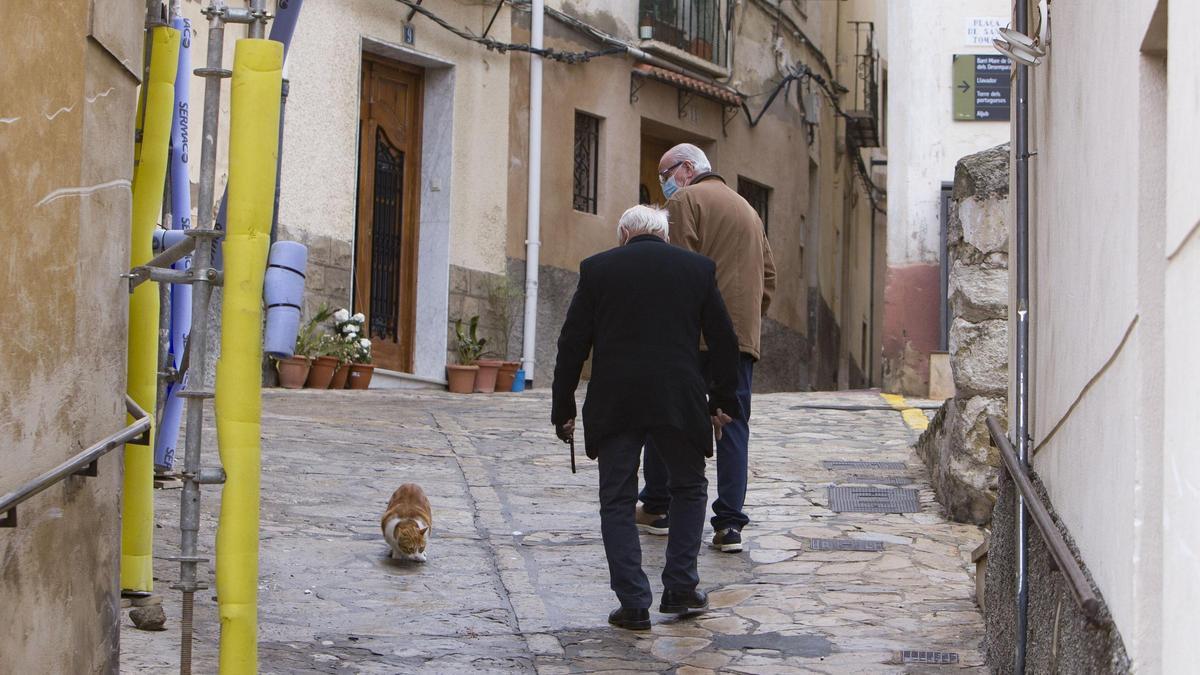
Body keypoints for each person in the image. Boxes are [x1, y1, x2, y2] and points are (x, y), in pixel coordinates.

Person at [551, 205, 742, 631]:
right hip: (678, 398)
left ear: (623, 236)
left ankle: (633, 602)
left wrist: (562, 406)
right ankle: (680, 589)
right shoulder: (697, 269)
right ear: (666, 236)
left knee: (617, 499)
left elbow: (572, 342)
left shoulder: (598, 269)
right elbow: (725, 340)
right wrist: (722, 400)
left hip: (616, 400)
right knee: (689, 488)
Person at [637, 143, 776, 554]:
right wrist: (746, 320)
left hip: (693, 336)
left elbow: (678, 268)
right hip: (740, 341)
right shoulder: (749, 211)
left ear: (684, 170)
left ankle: (659, 505)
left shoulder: (685, 202)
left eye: (665, 173)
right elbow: (769, 275)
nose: (664, 183)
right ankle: (729, 524)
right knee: (733, 424)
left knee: (666, 415)